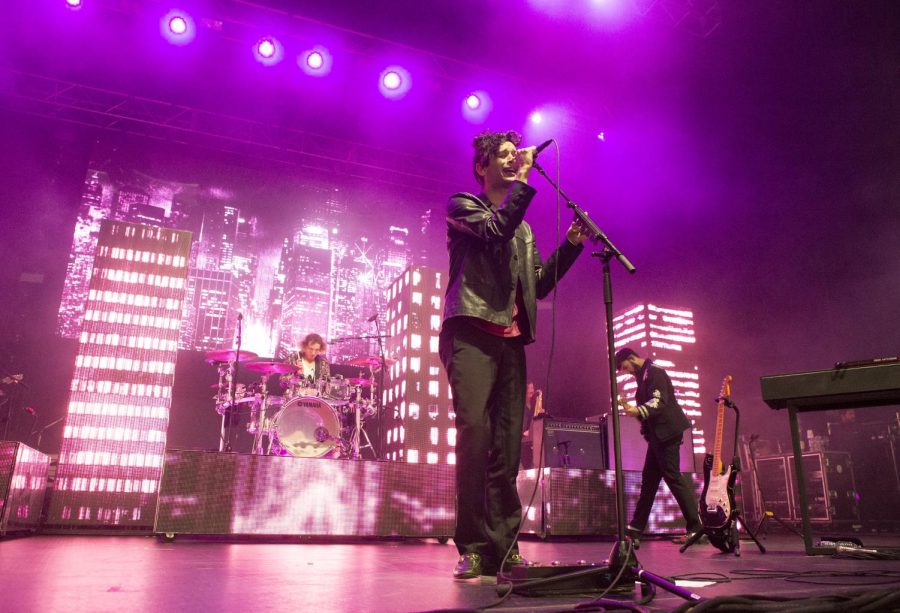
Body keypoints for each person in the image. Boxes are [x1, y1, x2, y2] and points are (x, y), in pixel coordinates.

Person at [439, 130, 588, 582]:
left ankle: (504, 548)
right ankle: (472, 548)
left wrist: (572, 246)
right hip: (471, 334)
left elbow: (537, 285)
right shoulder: (463, 205)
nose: (510, 160)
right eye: (501, 157)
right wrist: (524, 177)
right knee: (475, 437)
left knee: (506, 450)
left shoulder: (523, 230)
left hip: (510, 342)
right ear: (482, 168)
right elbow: (494, 229)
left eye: (514, 155)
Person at [615, 347, 702, 547]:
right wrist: (634, 411)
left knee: (672, 476)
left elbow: (659, 401)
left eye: (625, 367)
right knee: (649, 481)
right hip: (658, 435)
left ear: (631, 359)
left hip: (667, 432)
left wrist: (638, 410)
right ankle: (636, 528)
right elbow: (648, 408)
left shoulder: (655, 371)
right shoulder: (643, 376)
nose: (626, 372)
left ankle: (696, 525)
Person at [520, 383, 545, 470]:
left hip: (531, 439)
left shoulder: (532, 404)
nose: (532, 390)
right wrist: (523, 432)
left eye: (532, 388)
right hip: (522, 439)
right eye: (529, 388)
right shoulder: (520, 406)